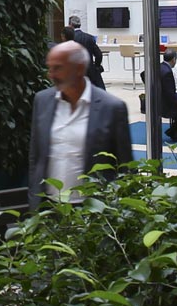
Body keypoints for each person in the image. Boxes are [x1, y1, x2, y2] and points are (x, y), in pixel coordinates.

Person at [27, 40, 132, 204]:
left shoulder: (112, 108)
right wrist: (34, 200)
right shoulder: (42, 101)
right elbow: (36, 157)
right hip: (48, 208)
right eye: (50, 68)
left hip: (93, 211)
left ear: (79, 69)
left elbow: (126, 167)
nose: (51, 75)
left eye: (58, 68)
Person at [67, 16, 106, 88]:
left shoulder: (70, 39)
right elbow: (98, 54)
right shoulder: (89, 38)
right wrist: (96, 66)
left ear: (70, 25)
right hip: (89, 70)